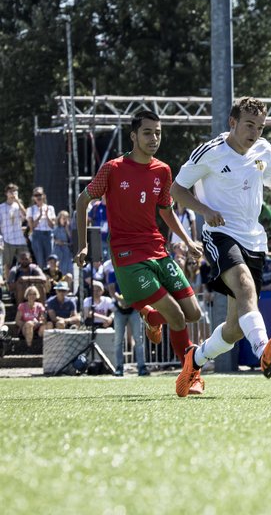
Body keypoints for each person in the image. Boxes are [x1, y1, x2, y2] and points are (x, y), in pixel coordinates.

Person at [170, 97, 271, 396]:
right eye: (249, 125)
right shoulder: (210, 152)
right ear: (232, 123)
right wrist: (204, 210)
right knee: (245, 286)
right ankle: (263, 350)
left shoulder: (264, 150)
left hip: (255, 241)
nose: (255, 132)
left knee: (233, 330)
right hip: (220, 234)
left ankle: (193, 360)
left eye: (260, 127)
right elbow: (177, 189)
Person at [75, 110, 205, 395]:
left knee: (194, 313)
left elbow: (166, 210)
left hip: (158, 250)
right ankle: (191, 376)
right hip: (127, 255)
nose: (154, 138)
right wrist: (82, 244)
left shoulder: (163, 170)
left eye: (158, 133)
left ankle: (152, 318)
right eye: (147, 132)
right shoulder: (112, 168)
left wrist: (188, 240)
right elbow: (82, 201)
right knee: (178, 317)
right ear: (133, 136)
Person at [107, 268, 149, 377]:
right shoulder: (112, 272)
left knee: (138, 339)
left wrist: (130, 301)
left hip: (133, 308)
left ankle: (141, 367)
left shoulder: (132, 270)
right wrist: (121, 300)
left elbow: (137, 289)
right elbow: (111, 290)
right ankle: (119, 368)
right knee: (118, 340)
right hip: (119, 310)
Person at [0, 183, 28, 284]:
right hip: (7, 239)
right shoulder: (1, 207)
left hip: (20, 239)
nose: (12, 194)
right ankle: (8, 285)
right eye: (10, 191)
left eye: (14, 191)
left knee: (24, 262)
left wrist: (18, 202)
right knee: (7, 264)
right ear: (6, 193)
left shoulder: (18, 206)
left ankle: (23, 282)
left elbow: (26, 216)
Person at [27, 187, 56, 267]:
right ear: (33, 197)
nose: (38, 197)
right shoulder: (30, 209)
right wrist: (39, 216)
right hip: (37, 235)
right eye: (36, 195)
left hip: (48, 235)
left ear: (44, 196)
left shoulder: (50, 208)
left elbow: (53, 225)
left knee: (50, 259)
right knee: (40, 260)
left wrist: (46, 216)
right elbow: (32, 227)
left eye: (40, 194)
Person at [52, 210, 74, 277]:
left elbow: (71, 239)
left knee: (68, 268)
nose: (65, 220)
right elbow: (52, 238)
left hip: (67, 250)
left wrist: (67, 229)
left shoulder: (70, 228)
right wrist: (57, 241)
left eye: (66, 218)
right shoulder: (56, 228)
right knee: (60, 267)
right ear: (59, 219)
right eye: (63, 218)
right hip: (58, 250)